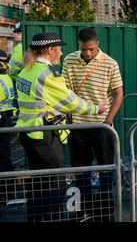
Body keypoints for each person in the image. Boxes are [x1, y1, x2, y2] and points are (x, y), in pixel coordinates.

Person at [15, 31, 106, 222]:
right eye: (59, 49)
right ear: (50, 49)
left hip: (28, 133)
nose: (62, 53)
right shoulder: (48, 74)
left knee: (37, 184)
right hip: (45, 136)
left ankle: (36, 219)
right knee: (53, 185)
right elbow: (71, 103)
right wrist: (96, 108)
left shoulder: (27, 70)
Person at [62, 27, 123, 222]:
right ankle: (83, 210)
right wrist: (71, 120)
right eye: (83, 49)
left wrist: (107, 121)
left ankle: (106, 209)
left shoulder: (110, 63)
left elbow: (118, 93)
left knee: (106, 169)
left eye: (90, 49)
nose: (87, 53)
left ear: (97, 44)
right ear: (78, 45)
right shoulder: (69, 60)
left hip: (102, 127)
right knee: (81, 170)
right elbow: (67, 92)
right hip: (78, 127)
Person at [0, 49, 17, 204]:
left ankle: (5, 192)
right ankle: (7, 191)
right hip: (5, 119)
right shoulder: (6, 76)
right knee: (4, 157)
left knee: (3, 158)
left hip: (2, 120)